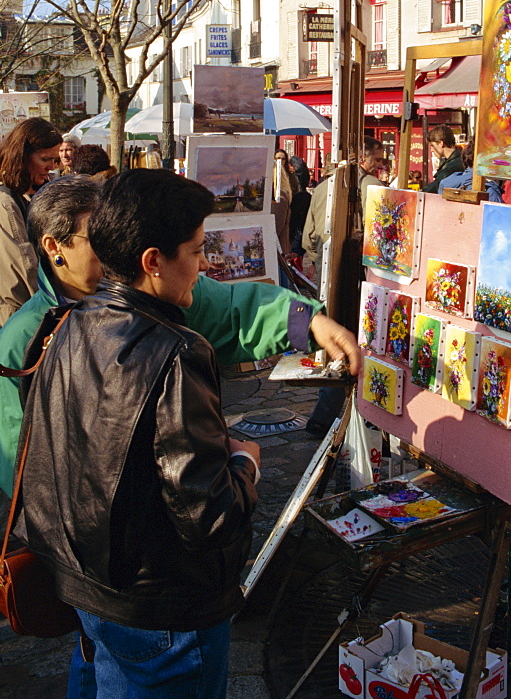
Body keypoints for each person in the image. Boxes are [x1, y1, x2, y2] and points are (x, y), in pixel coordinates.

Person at [13, 169, 360, 699]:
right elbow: (209, 512)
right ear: (152, 261)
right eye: (197, 252)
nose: (205, 266)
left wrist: (303, 322)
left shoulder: (64, 323)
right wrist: (245, 463)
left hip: (91, 581)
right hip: (160, 603)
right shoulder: (174, 352)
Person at [0, 174, 360, 498]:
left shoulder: (158, 293)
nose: (111, 242)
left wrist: (307, 321)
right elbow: (19, 458)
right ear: (53, 246)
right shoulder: (26, 336)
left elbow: (233, 310)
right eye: (96, 236)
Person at [302, 136, 384, 436]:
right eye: (376, 159)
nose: (380, 165)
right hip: (360, 274)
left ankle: (324, 416)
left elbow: (310, 234)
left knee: (337, 339)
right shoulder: (371, 186)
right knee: (355, 340)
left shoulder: (324, 186)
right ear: (363, 159)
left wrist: (314, 259)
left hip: (327, 271)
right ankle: (342, 416)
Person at [0, 117, 62, 325]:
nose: (51, 168)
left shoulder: (19, 195)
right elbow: (25, 269)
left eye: (55, 161)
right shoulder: (6, 202)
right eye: (45, 159)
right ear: (22, 157)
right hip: (17, 316)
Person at [422, 124, 463, 193]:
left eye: (432, 145)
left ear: (441, 143)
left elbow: (437, 185)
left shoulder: (454, 164)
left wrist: (419, 193)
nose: (431, 150)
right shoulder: (454, 160)